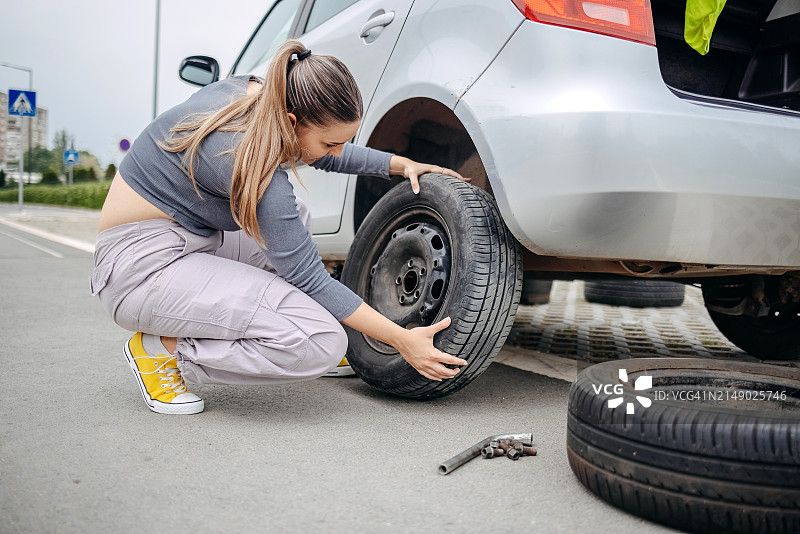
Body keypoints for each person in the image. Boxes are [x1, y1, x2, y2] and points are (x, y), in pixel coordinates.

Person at [91, 39, 469, 415]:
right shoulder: (249, 165)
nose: (335, 151)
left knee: (297, 214)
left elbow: (321, 150)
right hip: (137, 270)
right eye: (330, 143)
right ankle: (165, 351)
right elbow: (310, 278)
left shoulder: (259, 96)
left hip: (185, 239)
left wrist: (399, 164)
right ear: (291, 122)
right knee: (321, 343)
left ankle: (289, 323)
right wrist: (402, 339)